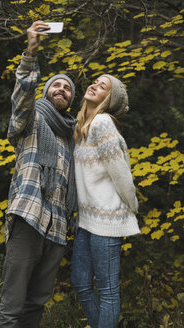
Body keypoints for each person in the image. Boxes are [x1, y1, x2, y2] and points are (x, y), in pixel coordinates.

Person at [0, 21, 77, 328]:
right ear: (46, 92)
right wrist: (31, 51)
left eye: (68, 87)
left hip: (57, 229)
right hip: (29, 216)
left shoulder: (71, 138)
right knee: (13, 302)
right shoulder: (31, 119)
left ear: (71, 99)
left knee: (36, 304)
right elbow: (22, 97)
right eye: (56, 85)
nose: (62, 89)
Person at [71, 74, 140, 328]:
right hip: (86, 220)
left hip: (108, 218)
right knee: (80, 283)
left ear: (108, 99)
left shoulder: (102, 123)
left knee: (108, 290)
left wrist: (132, 206)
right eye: (96, 82)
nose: (94, 86)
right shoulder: (81, 126)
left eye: (103, 87)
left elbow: (121, 172)